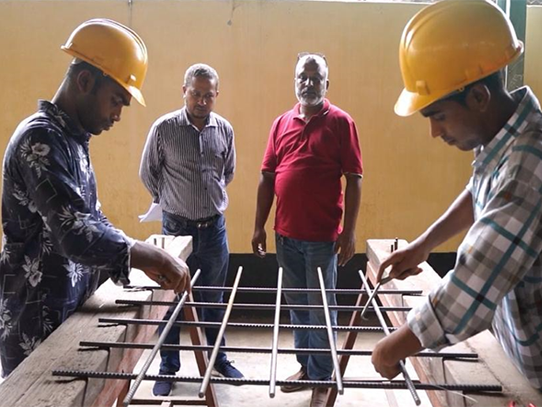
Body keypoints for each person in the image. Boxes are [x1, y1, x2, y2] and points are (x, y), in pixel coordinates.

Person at [0, 19, 190, 377]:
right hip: (36, 327)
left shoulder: (71, 140)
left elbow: (92, 219)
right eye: (116, 100)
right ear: (85, 81)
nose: (118, 114)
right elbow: (76, 233)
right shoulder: (40, 140)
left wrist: (135, 259)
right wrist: (151, 256)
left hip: (69, 314)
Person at [371, 0, 542, 390]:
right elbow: (481, 193)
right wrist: (424, 245)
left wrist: (393, 348)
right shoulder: (505, 138)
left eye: (439, 116)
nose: (435, 132)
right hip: (516, 350)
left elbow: (472, 286)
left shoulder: (529, 164)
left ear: (479, 97)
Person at [252, 53, 363, 407]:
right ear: (295, 80)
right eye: (303, 76)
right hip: (285, 236)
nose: (309, 83)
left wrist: (349, 232)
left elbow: (355, 179)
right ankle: (307, 367)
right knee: (298, 306)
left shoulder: (342, 122)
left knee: (321, 309)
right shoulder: (280, 123)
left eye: (316, 78)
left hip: (321, 239)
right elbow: (267, 177)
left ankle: (323, 376)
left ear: (327, 83)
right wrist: (259, 226)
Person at [140, 63, 243, 396]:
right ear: (184, 91)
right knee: (170, 300)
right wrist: (170, 198)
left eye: (208, 95)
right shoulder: (164, 128)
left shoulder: (224, 129)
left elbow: (227, 172)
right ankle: (168, 367)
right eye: (196, 94)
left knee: (213, 298)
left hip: (213, 230)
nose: (201, 101)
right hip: (175, 230)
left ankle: (219, 359)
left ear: (216, 95)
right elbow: (148, 172)